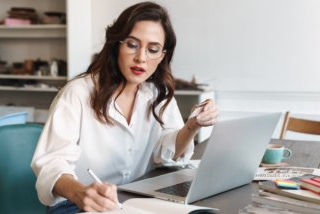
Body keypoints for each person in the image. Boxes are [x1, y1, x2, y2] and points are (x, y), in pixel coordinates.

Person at [31, 2, 219, 213]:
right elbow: (51, 163)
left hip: (135, 201)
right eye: (132, 45)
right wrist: (80, 193)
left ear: (162, 55)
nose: (141, 58)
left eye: (153, 49)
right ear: (116, 44)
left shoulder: (158, 95)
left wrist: (192, 125)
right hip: (78, 205)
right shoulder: (78, 92)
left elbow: (168, 153)